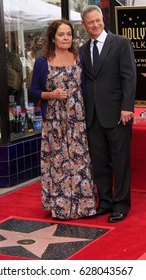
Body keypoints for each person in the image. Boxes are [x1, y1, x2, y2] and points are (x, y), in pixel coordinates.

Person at [30, 19, 96, 219]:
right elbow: (33, 91)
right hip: (54, 122)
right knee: (58, 163)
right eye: (61, 34)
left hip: (77, 119)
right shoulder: (43, 61)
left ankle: (84, 206)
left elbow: (84, 88)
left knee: (80, 162)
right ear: (52, 37)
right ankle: (61, 207)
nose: (66, 38)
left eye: (69, 34)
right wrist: (51, 95)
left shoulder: (78, 57)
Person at [80, 5, 136, 222]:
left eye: (97, 20)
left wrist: (127, 107)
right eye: (90, 22)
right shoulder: (84, 50)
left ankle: (121, 205)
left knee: (120, 161)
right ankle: (104, 202)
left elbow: (129, 77)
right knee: (100, 161)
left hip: (117, 114)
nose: (95, 25)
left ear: (102, 19)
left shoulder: (121, 43)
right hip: (92, 116)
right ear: (84, 26)